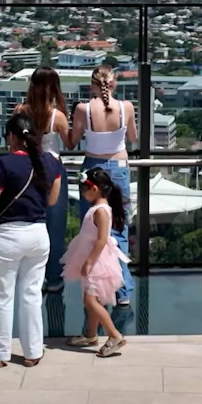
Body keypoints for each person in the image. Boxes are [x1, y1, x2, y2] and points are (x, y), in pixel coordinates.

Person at [0, 113, 64, 368]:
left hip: (7, 236)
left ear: (12, 137)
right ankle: (32, 351)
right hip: (38, 234)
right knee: (31, 295)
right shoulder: (51, 162)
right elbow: (51, 200)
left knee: (2, 296)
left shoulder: (4, 163)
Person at [70, 63, 137, 307]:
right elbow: (133, 138)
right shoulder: (126, 107)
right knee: (119, 230)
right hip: (118, 168)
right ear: (114, 83)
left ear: (93, 85)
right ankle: (123, 291)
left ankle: (96, 287)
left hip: (92, 169)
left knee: (92, 229)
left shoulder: (83, 109)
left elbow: (73, 141)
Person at [63, 166, 130, 357]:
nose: (82, 193)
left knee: (91, 301)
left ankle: (114, 334)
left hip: (97, 262)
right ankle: (91, 335)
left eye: (84, 189)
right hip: (91, 258)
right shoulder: (98, 209)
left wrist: (89, 262)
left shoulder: (100, 211)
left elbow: (101, 240)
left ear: (94, 189)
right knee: (92, 299)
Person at [16, 67, 70, 293]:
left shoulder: (21, 111)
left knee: (28, 224)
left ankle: (31, 276)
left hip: (27, 169)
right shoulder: (57, 116)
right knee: (55, 228)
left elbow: (15, 141)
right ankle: (54, 278)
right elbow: (70, 144)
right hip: (53, 169)